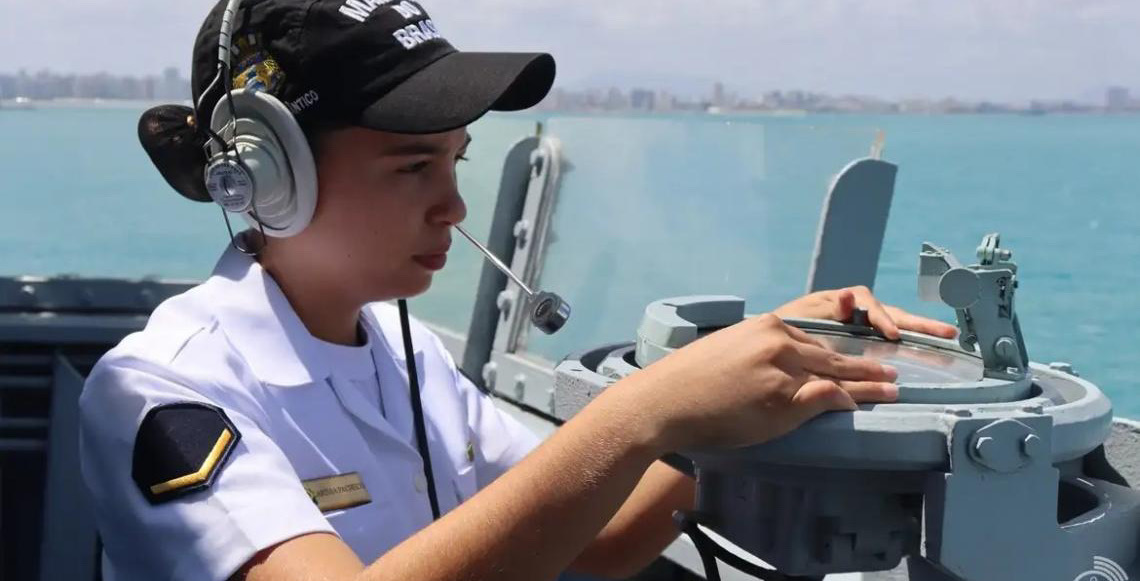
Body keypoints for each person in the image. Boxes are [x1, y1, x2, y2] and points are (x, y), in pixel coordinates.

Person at [78, 1, 958, 580]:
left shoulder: (406, 356)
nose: (453, 205)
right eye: (413, 166)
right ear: (267, 174)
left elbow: (597, 538)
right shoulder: (164, 388)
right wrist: (647, 411)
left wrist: (757, 384)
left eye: (457, 161)